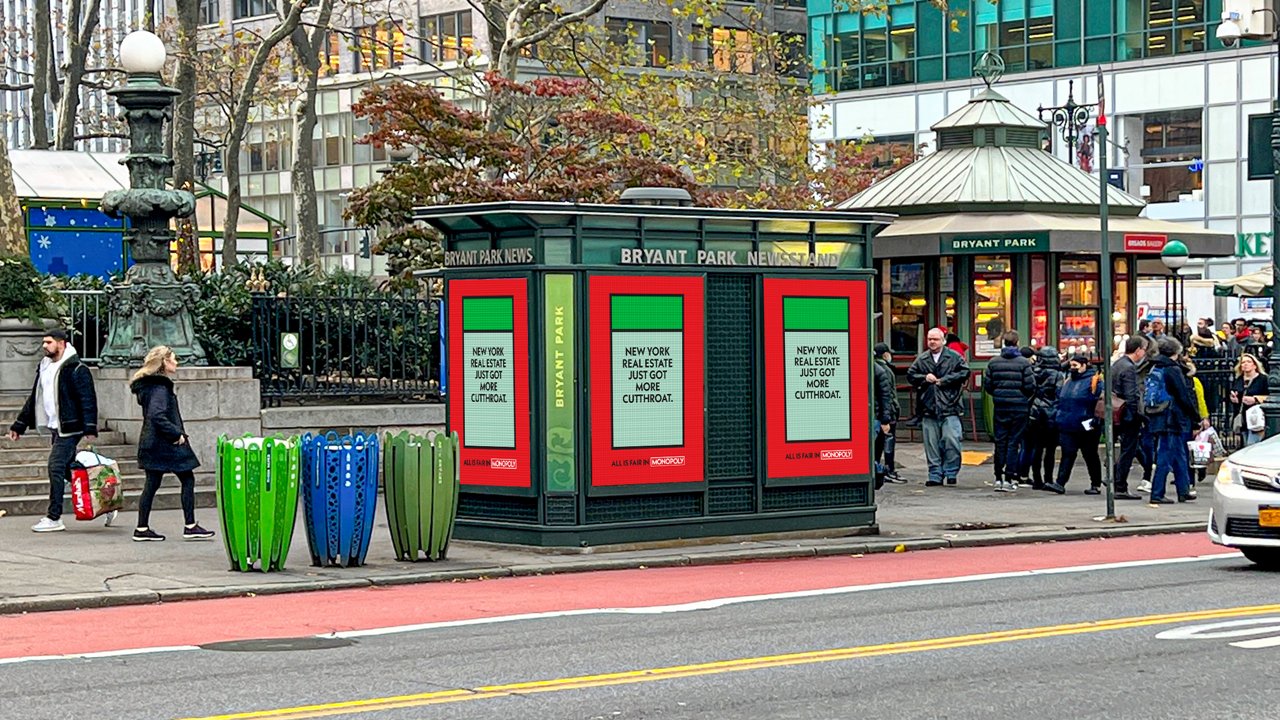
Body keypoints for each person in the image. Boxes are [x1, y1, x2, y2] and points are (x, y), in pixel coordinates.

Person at [7, 329, 105, 533]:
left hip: (71, 427)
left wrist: (89, 427)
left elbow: (88, 399)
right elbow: (35, 398)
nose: (44, 346)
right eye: (43, 342)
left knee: (55, 465)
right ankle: (101, 500)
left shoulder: (77, 369)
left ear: (61, 343)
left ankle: (54, 517)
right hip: (55, 426)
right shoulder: (44, 367)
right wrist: (19, 425)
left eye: (48, 342)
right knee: (67, 469)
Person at [130, 345, 214, 542]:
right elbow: (156, 415)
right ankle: (190, 525)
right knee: (187, 479)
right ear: (164, 362)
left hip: (152, 441)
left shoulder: (149, 387)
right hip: (167, 443)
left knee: (152, 484)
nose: (177, 362)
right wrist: (176, 433)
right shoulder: (160, 387)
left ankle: (142, 528)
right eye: (173, 359)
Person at [907, 327, 970, 487]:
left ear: (943, 341)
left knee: (951, 440)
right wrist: (924, 377)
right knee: (931, 445)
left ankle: (951, 471)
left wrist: (945, 380)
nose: (932, 342)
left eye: (935, 339)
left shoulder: (954, 357)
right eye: (929, 339)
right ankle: (934, 474)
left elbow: (965, 372)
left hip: (950, 406)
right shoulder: (922, 359)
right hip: (929, 408)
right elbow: (911, 375)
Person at [1146, 338, 1199, 505]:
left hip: (1159, 414)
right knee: (1165, 455)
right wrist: (1195, 417)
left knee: (1178, 454)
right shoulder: (1172, 369)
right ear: (1176, 352)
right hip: (1172, 416)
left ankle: (1183, 490)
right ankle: (1157, 493)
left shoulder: (1155, 365)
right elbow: (1183, 395)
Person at [982, 331, 1035, 492]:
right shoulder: (1024, 363)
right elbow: (1030, 386)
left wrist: (999, 394)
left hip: (1001, 406)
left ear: (1004, 342)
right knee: (1014, 442)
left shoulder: (993, 362)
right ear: (1017, 342)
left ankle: (998, 476)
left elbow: (988, 385)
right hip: (1019, 407)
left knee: (1000, 441)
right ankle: (1010, 477)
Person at [1045, 355, 1103, 495]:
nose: (1072, 368)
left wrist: (1094, 421)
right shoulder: (1069, 381)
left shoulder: (1094, 381)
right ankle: (1060, 483)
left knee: (1090, 454)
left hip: (1086, 424)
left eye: (1075, 365)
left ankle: (1095, 483)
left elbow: (1099, 402)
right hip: (1069, 423)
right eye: (1071, 365)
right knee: (1068, 453)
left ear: (1084, 365)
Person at [1109, 337, 1146, 500]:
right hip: (1126, 415)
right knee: (1128, 450)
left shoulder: (1117, 364)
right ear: (1138, 350)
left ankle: (1115, 480)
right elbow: (1131, 394)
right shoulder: (1130, 368)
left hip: (1116, 412)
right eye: (1144, 349)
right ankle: (1120, 485)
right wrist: (1135, 415)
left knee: (1124, 449)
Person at [872, 343, 904, 484]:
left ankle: (879, 469)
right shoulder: (884, 370)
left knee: (878, 445)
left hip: (877, 413)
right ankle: (887, 471)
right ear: (885, 354)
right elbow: (888, 395)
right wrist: (889, 416)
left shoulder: (873, 368)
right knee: (887, 443)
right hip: (883, 414)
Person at [1231, 352, 1269, 447]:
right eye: (1243, 362)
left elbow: (1271, 396)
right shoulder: (1239, 379)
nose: (1245, 364)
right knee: (1244, 445)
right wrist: (1234, 398)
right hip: (1243, 417)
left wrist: (1255, 399)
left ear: (1255, 365)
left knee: (1251, 445)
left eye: (1249, 362)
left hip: (1256, 417)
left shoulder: (1263, 379)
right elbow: (1236, 394)